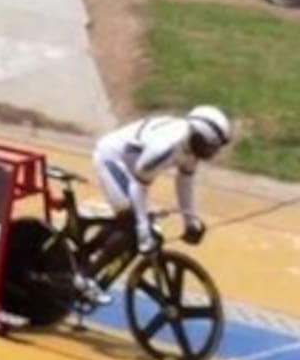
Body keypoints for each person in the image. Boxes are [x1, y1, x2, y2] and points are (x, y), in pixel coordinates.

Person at [89, 105, 232, 267]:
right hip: (112, 158)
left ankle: (89, 253)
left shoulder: (192, 146)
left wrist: (190, 221)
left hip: (135, 167)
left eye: (213, 149)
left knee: (137, 219)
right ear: (196, 136)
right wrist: (143, 230)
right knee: (133, 222)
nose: (209, 153)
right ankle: (86, 277)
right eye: (208, 147)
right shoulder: (165, 148)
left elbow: (184, 181)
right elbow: (137, 187)